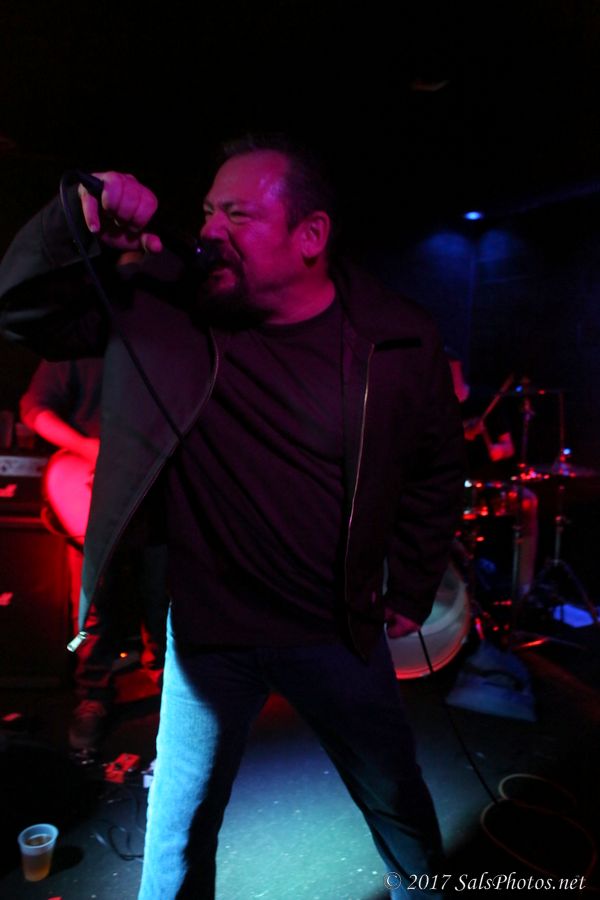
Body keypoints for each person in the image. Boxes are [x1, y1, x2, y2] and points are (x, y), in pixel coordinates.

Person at [0, 135, 465, 899]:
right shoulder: (168, 306)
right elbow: (24, 312)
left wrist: (411, 586)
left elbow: (437, 467)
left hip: (335, 633)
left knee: (400, 807)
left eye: (238, 214)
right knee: (176, 839)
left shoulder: (395, 339)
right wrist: (76, 221)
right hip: (208, 639)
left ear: (309, 236)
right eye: (209, 210)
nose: (211, 229)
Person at [20, 354, 168, 752]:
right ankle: (92, 694)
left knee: (161, 598)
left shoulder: (168, 346)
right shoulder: (78, 347)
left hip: (155, 493)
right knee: (92, 609)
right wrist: (86, 447)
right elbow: (34, 408)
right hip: (89, 490)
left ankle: (168, 684)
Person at [447, 353, 539, 599]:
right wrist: (460, 432)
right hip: (450, 486)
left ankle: (523, 588)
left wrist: (486, 437)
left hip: (487, 486)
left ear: (458, 367)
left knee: (528, 501)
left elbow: (506, 449)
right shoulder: (434, 404)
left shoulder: (485, 399)